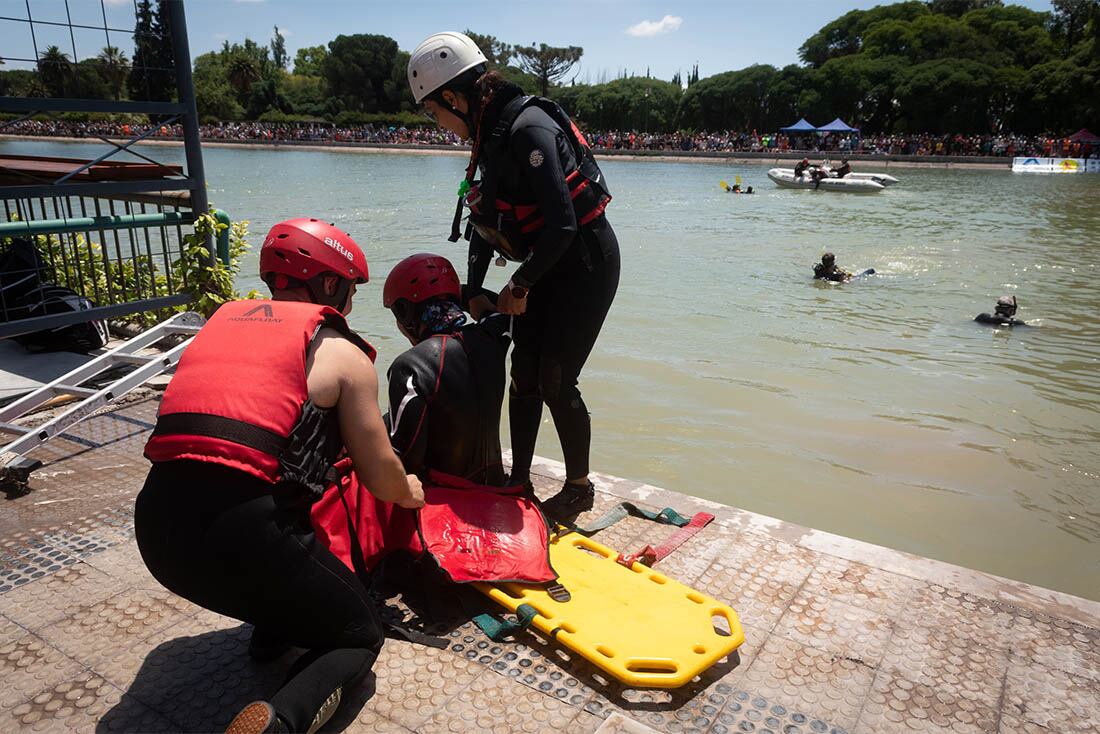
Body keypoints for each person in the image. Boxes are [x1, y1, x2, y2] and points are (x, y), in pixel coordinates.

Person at [136, 218, 424, 734]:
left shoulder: (219, 324)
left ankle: (273, 629)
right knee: (359, 633)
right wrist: (410, 490)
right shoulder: (343, 352)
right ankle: (282, 722)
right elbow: (380, 475)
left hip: (156, 530)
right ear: (330, 284)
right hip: (249, 535)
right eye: (349, 289)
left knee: (281, 555)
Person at [408, 32, 621, 519]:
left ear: (454, 97)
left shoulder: (528, 129)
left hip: (585, 263)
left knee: (555, 379)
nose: (437, 123)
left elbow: (565, 223)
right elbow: (488, 222)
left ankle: (578, 487)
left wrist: (518, 284)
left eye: (433, 112)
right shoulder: (491, 135)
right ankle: (518, 479)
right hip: (543, 265)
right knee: (522, 374)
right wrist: (474, 290)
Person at [382, 252, 511, 485]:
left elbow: (404, 459)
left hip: (441, 495)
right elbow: (501, 310)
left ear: (405, 313)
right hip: (492, 484)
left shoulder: (410, 366)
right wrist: (456, 292)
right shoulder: (494, 338)